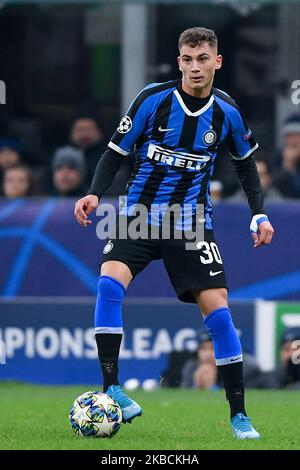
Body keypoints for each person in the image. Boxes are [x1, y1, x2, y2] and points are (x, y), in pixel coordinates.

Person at [74, 27, 274, 439]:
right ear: (178, 61)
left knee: (219, 316)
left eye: (203, 59)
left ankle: (239, 416)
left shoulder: (226, 112)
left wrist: (258, 214)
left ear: (216, 61)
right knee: (109, 286)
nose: (195, 67)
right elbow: (115, 151)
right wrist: (94, 194)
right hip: (138, 215)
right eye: (187, 59)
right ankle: (114, 390)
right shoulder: (153, 99)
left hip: (191, 224)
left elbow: (246, 164)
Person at [273, 115, 300, 198]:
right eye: (289, 136)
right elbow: (275, 190)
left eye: (296, 135)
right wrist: (287, 167)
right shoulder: (278, 156)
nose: (292, 140)